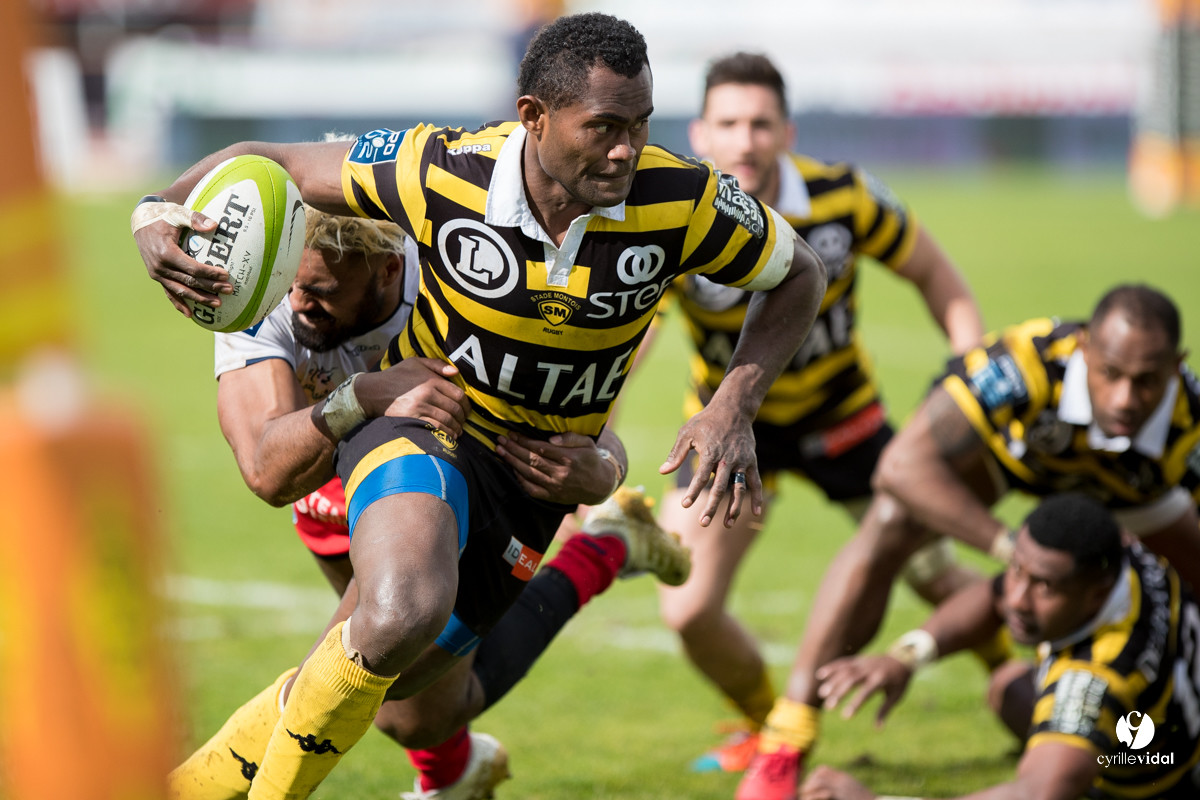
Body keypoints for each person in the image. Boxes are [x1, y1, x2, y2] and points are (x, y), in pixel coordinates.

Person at [132, 13, 828, 800]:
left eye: (638, 124)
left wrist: (733, 403)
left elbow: (799, 273)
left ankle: (601, 553)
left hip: (532, 484)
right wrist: (155, 213)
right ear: (532, 117)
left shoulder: (685, 200)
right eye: (602, 127)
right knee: (398, 613)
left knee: (415, 715)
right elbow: (273, 161)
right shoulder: (440, 168)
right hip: (418, 431)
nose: (627, 148)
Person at [173, 203, 687, 799]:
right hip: (327, 508)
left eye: (321, 291)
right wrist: (363, 395)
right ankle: (458, 772)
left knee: (370, 674)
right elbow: (267, 473)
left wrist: (605, 472)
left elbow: (584, 419)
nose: (298, 304)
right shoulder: (265, 292)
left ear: (391, 271)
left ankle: (601, 548)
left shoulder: (461, 286)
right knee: (399, 708)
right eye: (293, 287)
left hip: (446, 500)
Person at [651, 52, 988, 773]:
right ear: (701, 132)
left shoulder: (846, 197)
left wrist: (973, 379)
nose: (746, 140)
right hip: (732, 431)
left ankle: (1019, 680)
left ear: (787, 130)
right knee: (686, 608)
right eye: (729, 123)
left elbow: (938, 277)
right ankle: (764, 724)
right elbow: (630, 336)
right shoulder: (673, 212)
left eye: (761, 123)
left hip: (848, 421)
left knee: (934, 573)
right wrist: (593, 429)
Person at [737, 283, 1200, 800]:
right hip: (1018, 464)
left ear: (1177, 366)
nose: (1124, 400)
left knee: (1087, 721)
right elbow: (900, 467)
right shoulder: (1026, 364)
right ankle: (790, 734)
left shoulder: (1192, 425)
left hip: (1138, 504)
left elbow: (1040, 794)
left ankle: (1134, 757)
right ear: (1084, 350)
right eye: (1111, 374)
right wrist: (914, 649)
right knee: (893, 524)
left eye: (1147, 382)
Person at [801, 492, 1200, 800]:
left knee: (1055, 770)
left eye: (1043, 585)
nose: (1017, 598)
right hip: (1172, 716)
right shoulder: (1128, 557)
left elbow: (1038, 793)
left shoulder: (1093, 678)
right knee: (1006, 684)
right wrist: (906, 656)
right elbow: (993, 596)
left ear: (1095, 596)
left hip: (1160, 781)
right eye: (1017, 569)